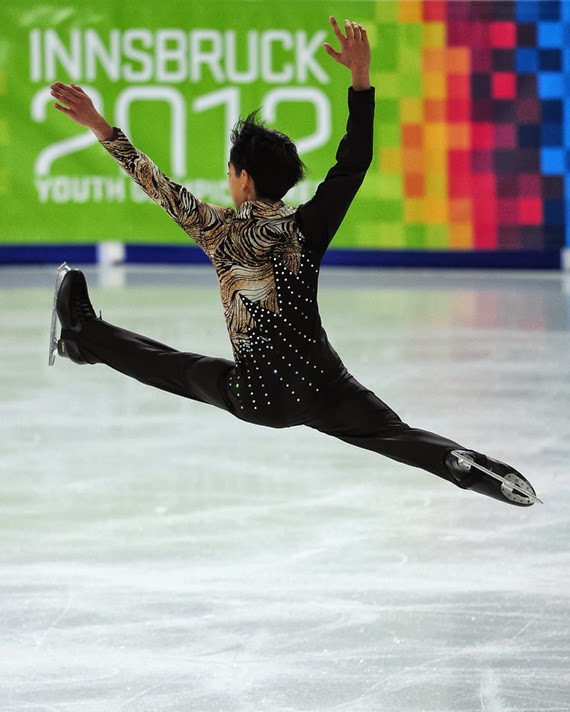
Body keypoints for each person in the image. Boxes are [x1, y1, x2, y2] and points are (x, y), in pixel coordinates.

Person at [48, 16, 539, 506]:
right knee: (393, 434)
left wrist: (99, 126)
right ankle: (463, 464)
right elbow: (353, 163)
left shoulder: (219, 230)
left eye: (230, 173)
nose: (229, 181)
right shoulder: (308, 226)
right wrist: (360, 80)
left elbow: (154, 182)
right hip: (325, 385)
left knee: (173, 368)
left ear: (243, 178)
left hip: (259, 395)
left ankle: (83, 336)